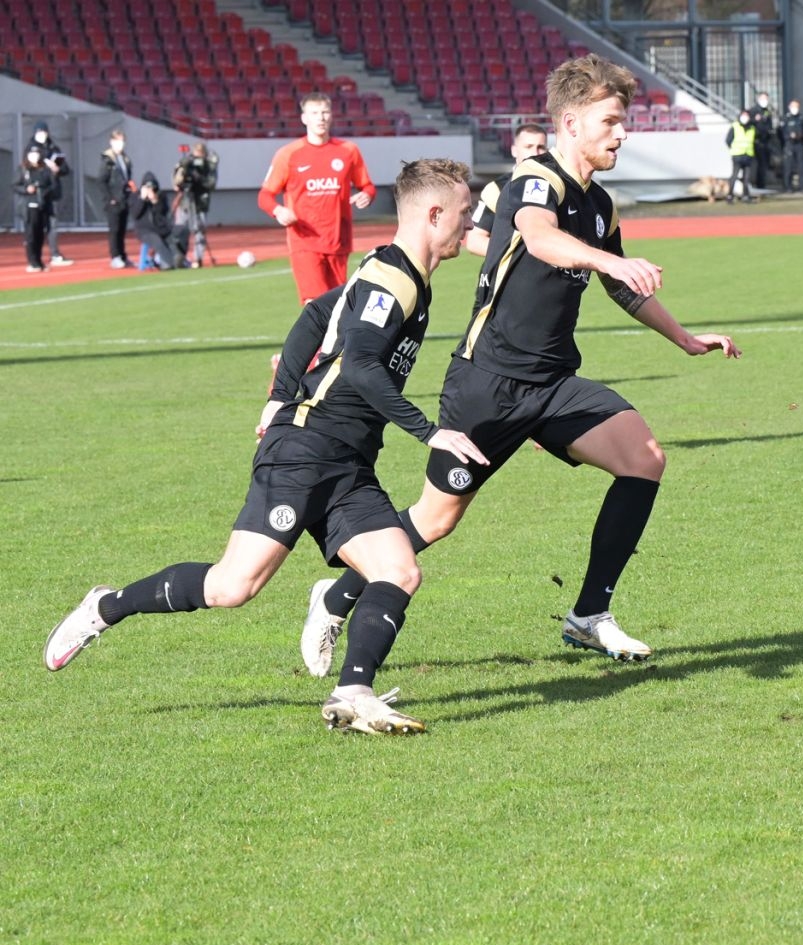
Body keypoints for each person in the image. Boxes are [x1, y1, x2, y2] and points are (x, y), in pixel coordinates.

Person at [299, 55, 741, 676]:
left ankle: (589, 614)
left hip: (553, 383)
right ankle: (337, 594)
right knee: (435, 519)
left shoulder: (601, 204)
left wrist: (684, 338)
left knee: (644, 458)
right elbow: (538, 237)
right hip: (488, 383)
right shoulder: (536, 179)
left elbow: (621, 287)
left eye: (624, 121)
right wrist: (610, 261)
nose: (622, 133)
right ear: (571, 123)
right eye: (610, 121)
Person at [45, 160, 484, 736]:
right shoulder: (393, 278)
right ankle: (106, 606)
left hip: (348, 461)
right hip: (305, 449)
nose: (469, 222)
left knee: (399, 571)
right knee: (233, 587)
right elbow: (361, 365)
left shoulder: (395, 271)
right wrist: (428, 431)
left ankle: (354, 693)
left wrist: (277, 396)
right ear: (434, 213)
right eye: (464, 212)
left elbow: (316, 313)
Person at [258, 92, 376, 304]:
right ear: (304, 118)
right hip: (305, 241)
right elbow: (265, 196)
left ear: (331, 115)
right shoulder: (289, 154)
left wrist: (366, 195)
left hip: (338, 241)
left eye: (325, 112)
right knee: (315, 304)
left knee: (337, 307)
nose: (321, 118)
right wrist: (278, 210)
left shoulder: (348, 151)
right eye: (314, 113)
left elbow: (367, 186)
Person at [465, 123, 547, 257]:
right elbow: (474, 241)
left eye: (541, 147)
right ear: (514, 150)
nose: (535, 153)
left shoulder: (558, 185)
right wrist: (519, 259)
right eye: (528, 147)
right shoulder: (497, 189)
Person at [26, 123, 72, 267]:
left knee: (53, 224)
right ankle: (34, 258)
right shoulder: (31, 149)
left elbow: (65, 169)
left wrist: (57, 168)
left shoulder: (53, 148)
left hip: (53, 192)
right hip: (38, 195)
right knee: (36, 227)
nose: (42, 135)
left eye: (44, 132)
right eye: (39, 132)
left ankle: (55, 254)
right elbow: (28, 168)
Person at [172, 140, 219, 268]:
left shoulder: (208, 166)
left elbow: (211, 184)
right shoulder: (186, 163)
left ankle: (197, 259)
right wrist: (183, 171)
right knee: (181, 230)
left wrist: (199, 178)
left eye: (200, 155)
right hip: (185, 201)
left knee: (199, 230)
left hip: (200, 202)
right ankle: (179, 257)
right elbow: (176, 182)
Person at [16, 144, 57, 272]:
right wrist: (26, 189)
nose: (34, 156)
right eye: (32, 154)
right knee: (31, 234)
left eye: (36, 154)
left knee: (40, 234)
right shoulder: (24, 170)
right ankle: (32, 261)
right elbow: (15, 185)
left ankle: (39, 261)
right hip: (29, 206)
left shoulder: (45, 169)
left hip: (43, 205)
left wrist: (43, 192)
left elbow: (52, 185)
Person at [99, 129, 136, 268]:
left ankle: (122, 255)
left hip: (124, 198)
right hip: (114, 200)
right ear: (112, 142)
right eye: (117, 141)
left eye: (122, 141)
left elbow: (127, 178)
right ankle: (115, 256)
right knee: (114, 229)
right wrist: (110, 198)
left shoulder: (125, 159)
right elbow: (102, 181)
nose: (120, 144)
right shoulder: (108, 160)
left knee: (122, 229)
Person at [129, 172, 179, 270]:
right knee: (157, 241)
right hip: (144, 230)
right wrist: (142, 199)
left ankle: (178, 258)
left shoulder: (161, 196)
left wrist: (155, 201)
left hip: (160, 227)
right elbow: (135, 214)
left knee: (179, 233)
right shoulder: (135, 197)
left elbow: (163, 213)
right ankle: (168, 263)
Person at [726, 108, 758, 203]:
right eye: (743, 115)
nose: (745, 117)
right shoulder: (735, 126)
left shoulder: (752, 128)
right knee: (734, 176)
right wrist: (734, 149)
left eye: (747, 116)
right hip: (737, 155)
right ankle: (730, 195)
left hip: (748, 155)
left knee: (747, 178)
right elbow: (728, 140)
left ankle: (746, 196)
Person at [779, 99, 803, 193]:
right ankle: (788, 187)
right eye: (793, 106)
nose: (795, 108)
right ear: (789, 107)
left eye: (796, 106)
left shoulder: (802, 118)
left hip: (800, 144)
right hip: (789, 144)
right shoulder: (785, 118)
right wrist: (788, 137)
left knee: (802, 167)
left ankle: (802, 187)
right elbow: (780, 132)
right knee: (788, 167)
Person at [748, 90, 776, 190]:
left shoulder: (767, 111)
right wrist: (755, 119)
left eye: (766, 99)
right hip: (755, 140)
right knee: (755, 164)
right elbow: (747, 122)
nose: (765, 100)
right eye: (763, 98)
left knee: (763, 164)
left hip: (765, 141)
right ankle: (754, 183)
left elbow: (769, 124)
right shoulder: (753, 111)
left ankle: (761, 184)